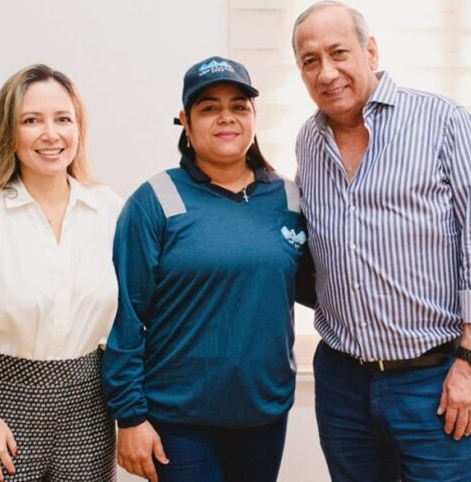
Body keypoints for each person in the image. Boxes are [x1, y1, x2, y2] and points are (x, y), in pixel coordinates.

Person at [291, 2, 471, 481]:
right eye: (310, 60)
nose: (326, 72)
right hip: (342, 381)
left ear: (370, 51)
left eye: (338, 52)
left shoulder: (442, 120)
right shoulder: (308, 141)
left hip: (433, 379)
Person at [101, 56, 313, 482]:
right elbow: (124, 317)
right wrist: (129, 415)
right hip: (178, 420)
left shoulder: (289, 198)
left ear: (254, 116)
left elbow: (328, 289)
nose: (226, 117)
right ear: (185, 120)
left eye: (238, 106)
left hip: (263, 415)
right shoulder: (155, 200)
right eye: (209, 107)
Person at [0, 64, 121, 482]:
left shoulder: (109, 209)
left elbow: (133, 315)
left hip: (90, 405)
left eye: (63, 119)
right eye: (31, 120)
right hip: (3, 404)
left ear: (79, 128)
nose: (51, 134)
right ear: (9, 132)